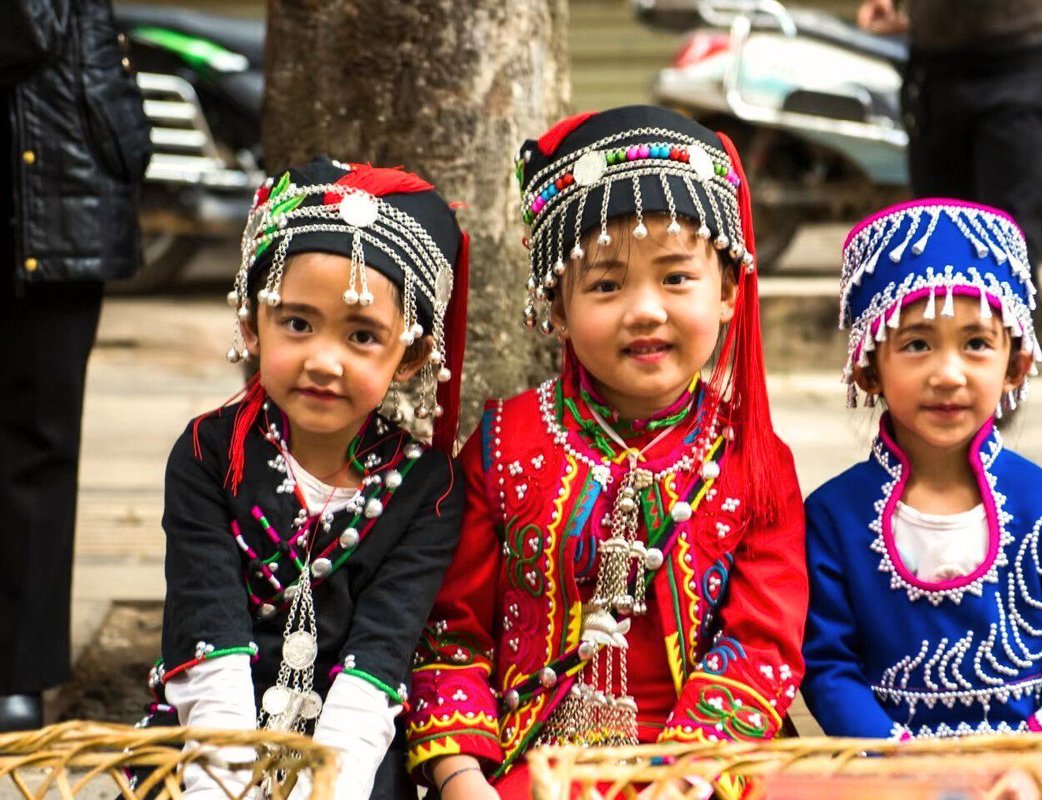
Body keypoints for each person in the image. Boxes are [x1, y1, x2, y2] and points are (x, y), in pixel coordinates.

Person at [405, 105, 809, 800]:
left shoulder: (753, 457)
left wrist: (687, 776)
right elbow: (451, 636)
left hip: (713, 768)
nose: (644, 309)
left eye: (677, 278)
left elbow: (763, 642)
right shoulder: (504, 446)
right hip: (534, 767)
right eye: (605, 284)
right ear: (555, 307)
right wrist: (460, 776)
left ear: (728, 294)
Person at [142, 158, 470, 800]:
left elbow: (382, 651)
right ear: (250, 324)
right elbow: (207, 620)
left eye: (362, 335)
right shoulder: (210, 454)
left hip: (348, 732)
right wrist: (225, 782)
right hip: (212, 723)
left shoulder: (427, 486)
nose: (324, 359)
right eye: (297, 323)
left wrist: (329, 785)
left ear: (412, 357)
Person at [801, 199, 1042, 798]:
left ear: (1015, 364)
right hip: (893, 780)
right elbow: (828, 668)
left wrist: (1039, 763)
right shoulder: (832, 517)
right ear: (869, 368)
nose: (948, 373)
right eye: (917, 345)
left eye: (976, 342)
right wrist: (901, 768)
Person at [0, 0, 151, 730]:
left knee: (39, 440)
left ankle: (18, 671)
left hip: (58, 182)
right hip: (60, 166)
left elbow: (29, 26)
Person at [856, 0, 1042, 286]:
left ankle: (1011, 329)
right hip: (935, 70)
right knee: (941, 241)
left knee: (1008, 239)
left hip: (1013, 65)